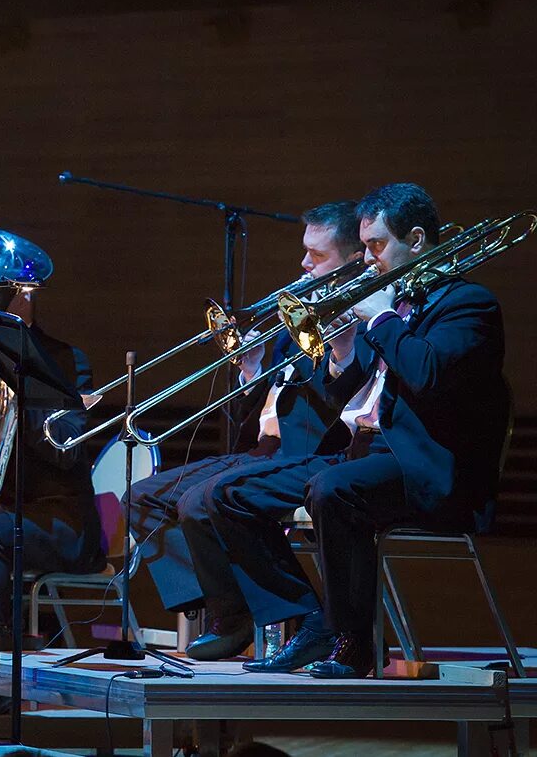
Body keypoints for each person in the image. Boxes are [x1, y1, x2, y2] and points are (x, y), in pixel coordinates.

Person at [200, 183, 507, 678]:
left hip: (428, 468)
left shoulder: (469, 304)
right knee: (227, 494)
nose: (367, 260)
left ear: (417, 239)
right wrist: (343, 347)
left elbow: (426, 373)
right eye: (364, 247)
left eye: (377, 246)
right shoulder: (399, 304)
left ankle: (354, 645)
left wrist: (382, 317)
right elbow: (350, 396)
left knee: (333, 490)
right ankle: (311, 622)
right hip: (366, 455)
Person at [127, 201, 366, 660]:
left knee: (200, 500)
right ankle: (227, 608)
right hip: (260, 449)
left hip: (310, 452)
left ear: (353, 260)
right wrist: (250, 368)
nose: (303, 265)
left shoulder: (359, 314)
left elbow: (340, 400)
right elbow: (255, 405)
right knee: (144, 499)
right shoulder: (292, 313)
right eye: (305, 252)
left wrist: (339, 349)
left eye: (316, 256)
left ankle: (263, 616)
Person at [0, 288, 105, 636]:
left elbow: (65, 447)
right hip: (4, 512)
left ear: (22, 296)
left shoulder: (65, 359)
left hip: (61, 520)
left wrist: (13, 392)